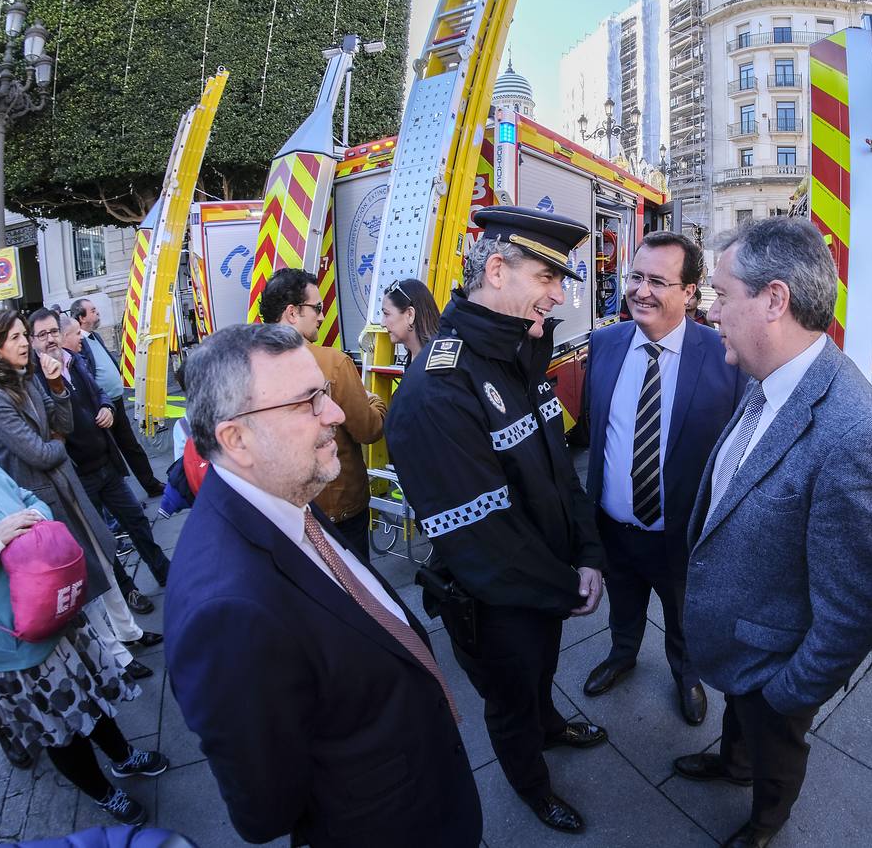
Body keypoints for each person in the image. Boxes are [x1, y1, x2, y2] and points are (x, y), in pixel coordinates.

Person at [164, 324, 480, 847]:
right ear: (235, 439)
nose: (333, 414)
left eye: (324, 394)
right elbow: (265, 808)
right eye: (307, 403)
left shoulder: (284, 491)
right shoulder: (225, 615)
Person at [674, 218, 872, 848]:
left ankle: (764, 822)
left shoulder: (857, 434)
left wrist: (788, 692)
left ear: (774, 300)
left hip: (776, 669)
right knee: (740, 722)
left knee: (772, 741)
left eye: (721, 296)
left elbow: (855, 611)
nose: (710, 310)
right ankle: (733, 765)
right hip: (740, 647)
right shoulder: (766, 377)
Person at [385, 205, 607, 835]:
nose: (558, 295)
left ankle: (551, 724)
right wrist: (569, 586)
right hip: (501, 600)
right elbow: (482, 538)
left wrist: (587, 554)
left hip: (546, 585)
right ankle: (533, 787)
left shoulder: (519, 355)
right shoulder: (438, 390)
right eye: (548, 280)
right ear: (499, 271)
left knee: (540, 677)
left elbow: (562, 472)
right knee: (510, 703)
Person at [579, 232, 745, 726]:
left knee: (682, 616)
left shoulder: (722, 356)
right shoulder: (604, 344)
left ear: (691, 292)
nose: (641, 291)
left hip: (682, 535)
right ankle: (621, 655)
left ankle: (686, 674)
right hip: (614, 529)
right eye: (635, 277)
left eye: (657, 281)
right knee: (622, 606)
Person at [0, 456, 168, 826]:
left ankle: (123, 756)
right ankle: (103, 793)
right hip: (11, 652)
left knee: (92, 699)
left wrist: (35, 516)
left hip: (56, 614)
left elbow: (28, 497)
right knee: (60, 730)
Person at [0, 312, 155, 682]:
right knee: (81, 576)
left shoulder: (28, 379)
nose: (25, 343)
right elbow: (40, 453)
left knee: (103, 561)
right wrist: (56, 441)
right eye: (16, 337)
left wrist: (57, 386)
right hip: (44, 502)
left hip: (67, 485)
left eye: (25, 335)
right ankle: (116, 657)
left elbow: (64, 424)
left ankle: (131, 633)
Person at [34, 311, 171, 613]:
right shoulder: (36, 381)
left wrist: (107, 407)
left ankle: (163, 569)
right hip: (78, 476)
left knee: (135, 519)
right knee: (102, 540)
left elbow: (98, 393)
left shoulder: (74, 361)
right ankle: (129, 592)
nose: (50, 339)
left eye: (54, 331)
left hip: (105, 463)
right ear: (34, 342)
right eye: (42, 335)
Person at [259, 270, 387, 560]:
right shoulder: (333, 364)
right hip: (340, 510)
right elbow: (368, 430)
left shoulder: (247, 366)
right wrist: (376, 401)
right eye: (316, 308)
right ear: (292, 313)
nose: (321, 316)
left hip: (284, 512)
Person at [68, 298, 165, 498]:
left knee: (131, 446)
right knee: (111, 453)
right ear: (81, 318)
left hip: (115, 401)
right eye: (92, 310)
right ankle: (124, 497)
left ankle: (151, 484)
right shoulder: (80, 343)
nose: (97, 313)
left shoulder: (95, 337)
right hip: (102, 408)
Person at [381, 277, 442, 362]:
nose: (382, 324)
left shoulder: (437, 364)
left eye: (386, 314)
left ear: (410, 314)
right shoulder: (428, 356)